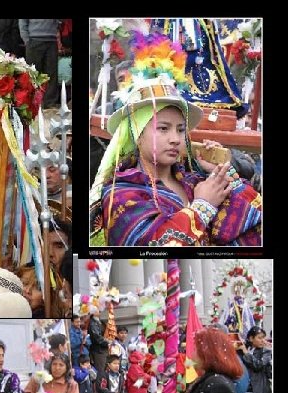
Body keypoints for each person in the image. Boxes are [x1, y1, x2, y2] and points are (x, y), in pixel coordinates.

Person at [89, 33, 261, 247]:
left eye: (181, 130)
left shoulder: (193, 181)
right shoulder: (122, 194)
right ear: (137, 134)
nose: (175, 139)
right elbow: (151, 253)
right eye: (163, 128)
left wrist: (222, 174)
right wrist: (202, 207)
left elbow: (256, 223)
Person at [19, 20, 61, 106]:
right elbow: (22, 22)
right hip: (33, 40)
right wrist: (27, 40)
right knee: (32, 74)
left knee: (51, 74)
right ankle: (31, 102)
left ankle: (50, 103)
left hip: (51, 40)